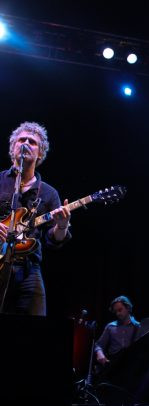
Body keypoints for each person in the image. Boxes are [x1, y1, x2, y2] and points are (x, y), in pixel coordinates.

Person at [0, 121, 71, 316]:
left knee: (34, 333)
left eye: (32, 142)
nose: (25, 143)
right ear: (13, 147)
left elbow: (53, 240)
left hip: (28, 268)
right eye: (21, 140)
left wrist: (62, 226)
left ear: (40, 153)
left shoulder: (48, 193)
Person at [94, 295, 140, 366]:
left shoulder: (138, 326)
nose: (117, 313)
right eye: (115, 311)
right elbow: (99, 345)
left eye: (120, 310)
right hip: (113, 365)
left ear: (128, 308)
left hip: (131, 366)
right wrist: (99, 354)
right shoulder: (110, 326)